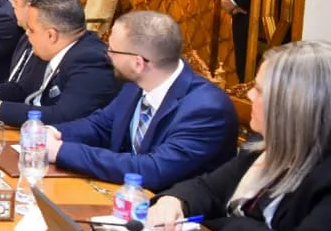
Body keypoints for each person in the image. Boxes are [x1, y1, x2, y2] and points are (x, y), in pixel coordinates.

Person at [146, 41, 331, 231]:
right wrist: (173, 201)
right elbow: (207, 188)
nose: (249, 95)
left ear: (293, 105)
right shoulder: (262, 146)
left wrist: (227, 225)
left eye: (259, 90)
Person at [46, 10, 239, 191]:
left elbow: (151, 170)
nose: (107, 56)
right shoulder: (136, 84)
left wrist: (61, 151)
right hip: (124, 195)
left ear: (138, 63)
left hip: (172, 207)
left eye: (112, 50)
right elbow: (101, 125)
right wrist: (53, 133)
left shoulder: (207, 109)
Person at [0, 0, 119, 126]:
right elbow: (24, 89)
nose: (27, 34)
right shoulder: (55, 48)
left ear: (51, 35)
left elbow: (63, 117)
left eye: (31, 30)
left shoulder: (90, 61)